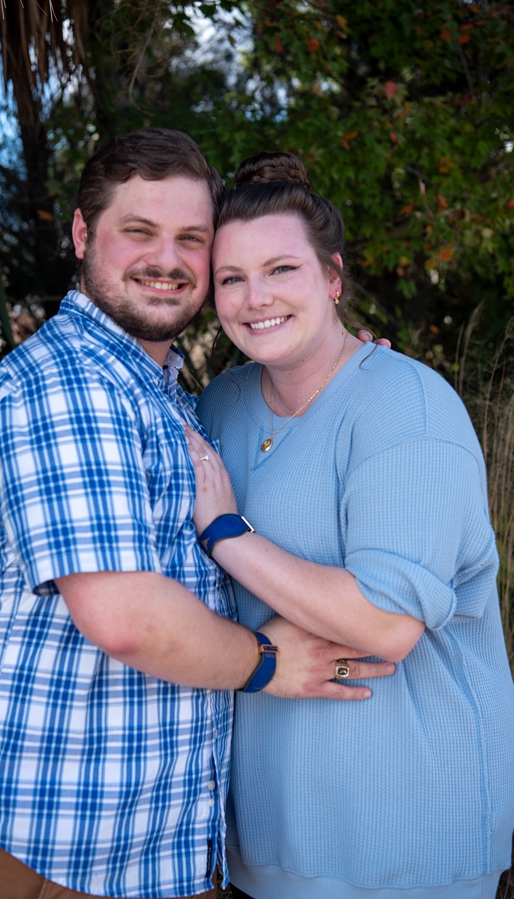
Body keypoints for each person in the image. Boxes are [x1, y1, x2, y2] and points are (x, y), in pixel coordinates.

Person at [0, 128, 396, 899]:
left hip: (153, 852)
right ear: (82, 232)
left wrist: (341, 363)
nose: (167, 260)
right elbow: (124, 615)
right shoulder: (68, 385)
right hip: (50, 847)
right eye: (138, 232)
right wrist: (269, 664)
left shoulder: (167, 391)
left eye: (191, 239)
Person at [188, 151, 514, 899]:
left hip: (406, 840)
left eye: (282, 270)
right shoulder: (220, 404)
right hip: (267, 839)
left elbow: (385, 620)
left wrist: (227, 531)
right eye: (232, 278)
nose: (254, 297)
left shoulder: (407, 408)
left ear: (332, 277)